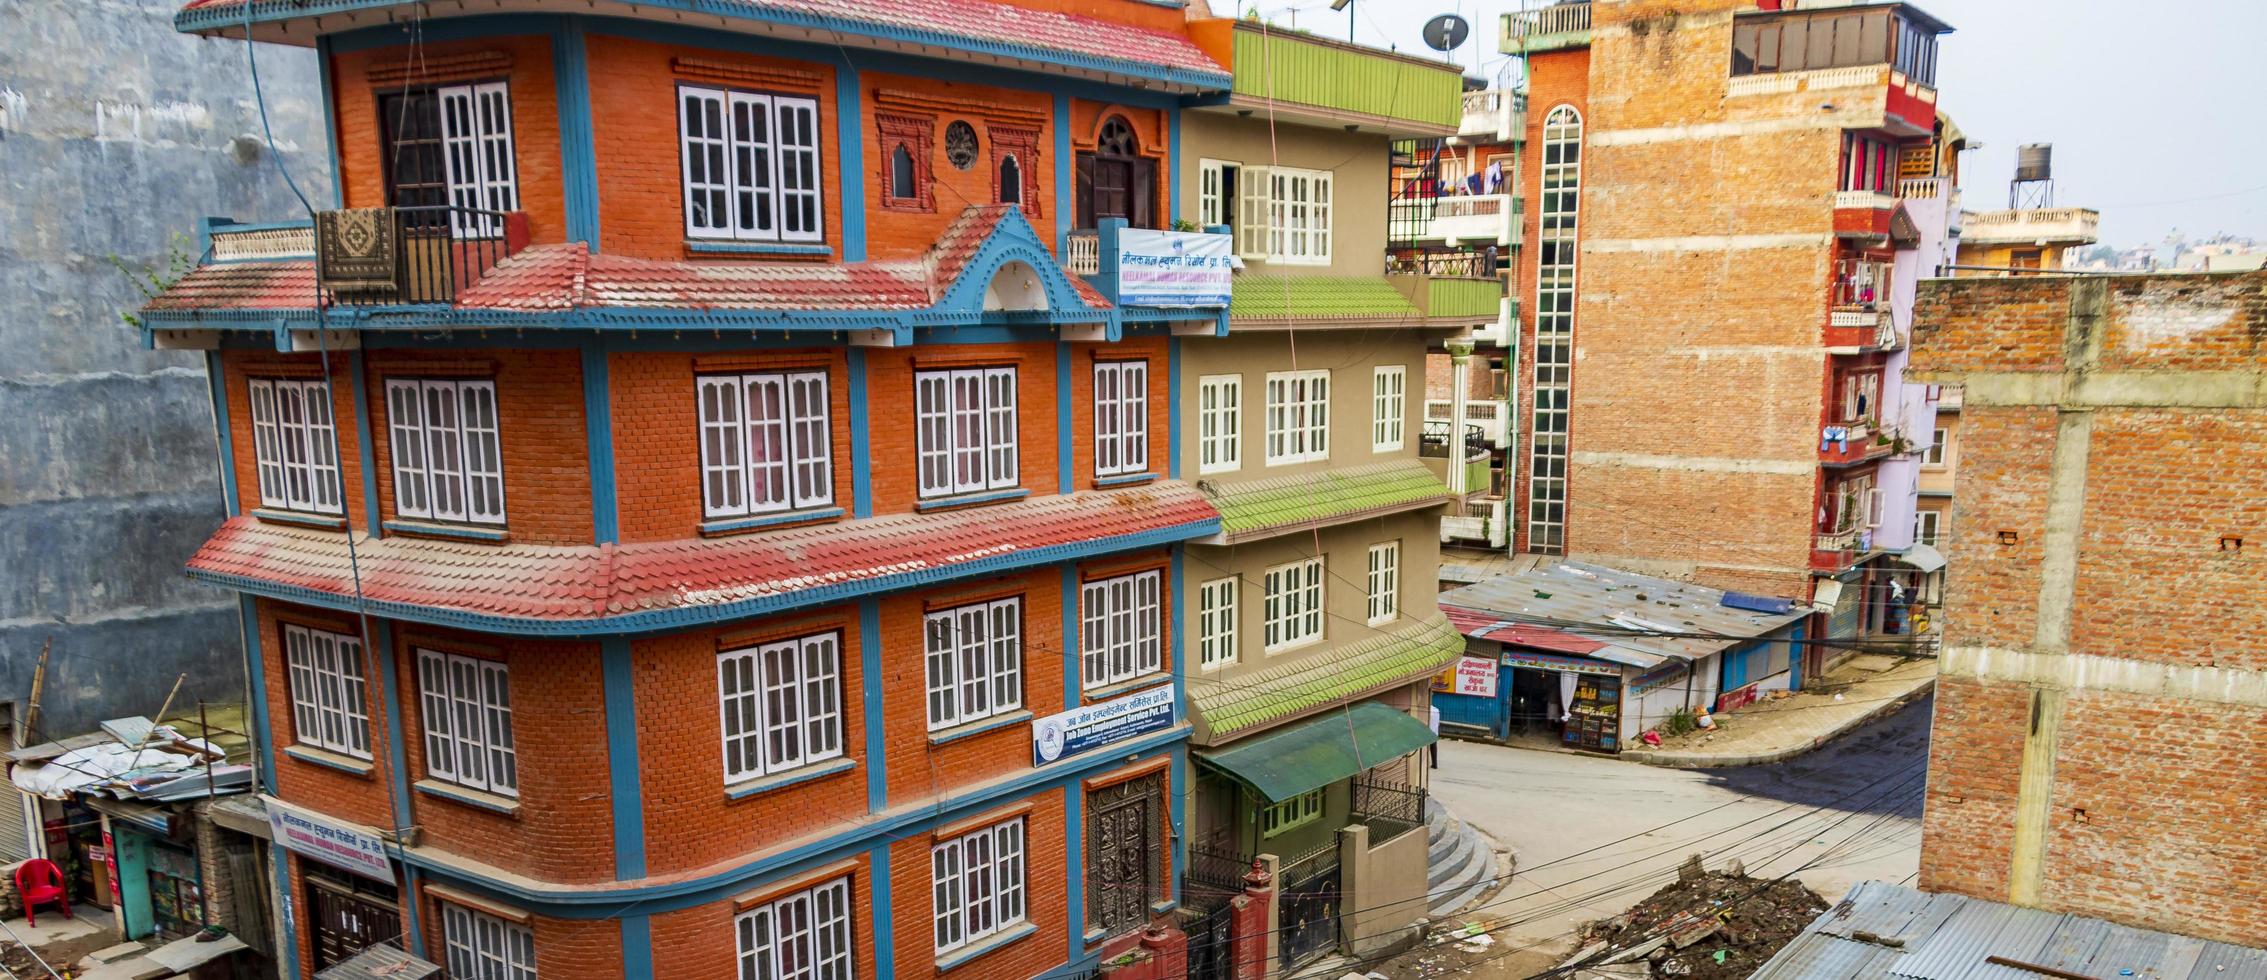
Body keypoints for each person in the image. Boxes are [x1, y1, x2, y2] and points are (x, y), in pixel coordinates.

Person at [1428, 701, 1442, 768]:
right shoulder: (1436, 710)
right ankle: (1435, 764)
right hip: (1435, 733)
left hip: (1427, 733)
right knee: (1433, 748)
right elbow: (1438, 723)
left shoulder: (1427, 710)